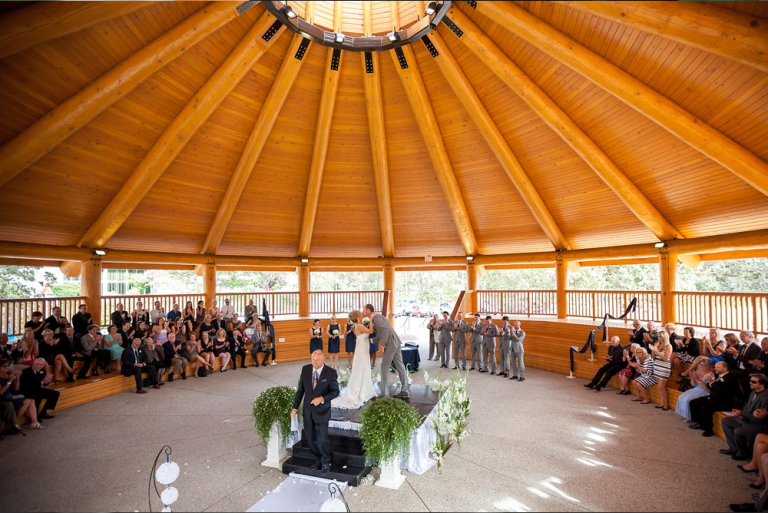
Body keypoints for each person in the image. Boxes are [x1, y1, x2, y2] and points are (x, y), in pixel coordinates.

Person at [291, 350, 339, 475]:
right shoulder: (305, 369)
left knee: (323, 439)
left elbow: (335, 392)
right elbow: (300, 391)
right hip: (308, 411)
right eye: (313, 359)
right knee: (311, 439)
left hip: (322, 412)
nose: (314, 362)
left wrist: (322, 399)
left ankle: (326, 461)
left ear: (324, 360)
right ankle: (318, 459)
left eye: (317, 360)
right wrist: (294, 408)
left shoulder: (331, 373)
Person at [363, 304, 409, 398]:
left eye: (363, 309)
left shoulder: (376, 318)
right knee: (400, 366)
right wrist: (371, 341)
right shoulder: (377, 317)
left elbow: (385, 330)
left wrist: (383, 345)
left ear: (368, 310)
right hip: (395, 342)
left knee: (384, 367)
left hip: (389, 344)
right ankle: (405, 390)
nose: (362, 311)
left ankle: (385, 393)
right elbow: (381, 334)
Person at [333, 311, 376, 409]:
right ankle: (358, 392)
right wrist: (371, 320)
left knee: (365, 369)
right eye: (360, 314)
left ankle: (364, 390)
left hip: (363, 349)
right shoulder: (358, 326)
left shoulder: (359, 325)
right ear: (357, 317)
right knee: (360, 369)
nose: (362, 314)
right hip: (361, 351)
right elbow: (370, 332)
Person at [721, 374, 768, 461]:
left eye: (753, 382)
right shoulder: (753, 392)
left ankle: (743, 453)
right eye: (750, 381)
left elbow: (759, 417)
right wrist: (739, 413)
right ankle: (734, 448)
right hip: (747, 419)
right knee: (725, 421)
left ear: (762, 384)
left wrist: (741, 413)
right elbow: (746, 408)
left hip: (758, 424)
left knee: (738, 431)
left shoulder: (766, 397)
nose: (750, 383)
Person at [689, 361, 742, 437]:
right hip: (714, 397)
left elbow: (722, 391)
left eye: (718, 367)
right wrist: (711, 382)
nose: (715, 368)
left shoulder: (730, 378)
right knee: (694, 402)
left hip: (724, 401)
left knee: (706, 408)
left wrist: (713, 382)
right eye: (715, 366)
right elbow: (709, 386)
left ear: (725, 368)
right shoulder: (717, 375)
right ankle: (700, 423)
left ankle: (709, 430)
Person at [0, 359, 41, 430]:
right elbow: (1, 392)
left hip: (9, 396)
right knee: (15, 403)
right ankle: (14, 424)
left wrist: (18, 378)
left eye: (7, 366)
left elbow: (16, 388)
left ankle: (34, 422)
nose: (7, 368)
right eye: (4, 366)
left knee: (30, 400)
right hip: (2, 398)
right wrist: (9, 381)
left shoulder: (7, 375)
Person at [650, 331, 674, 410]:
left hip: (664, 367)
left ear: (665, 337)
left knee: (662, 386)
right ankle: (662, 403)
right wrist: (653, 350)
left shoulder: (668, 346)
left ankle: (666, 404)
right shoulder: (657, 344)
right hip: (657, 366)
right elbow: (653, 357)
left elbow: (665, 358)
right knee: (659, 387)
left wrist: (657, 351)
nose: (659, 338)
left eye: (660, 336)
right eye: (658, 336)